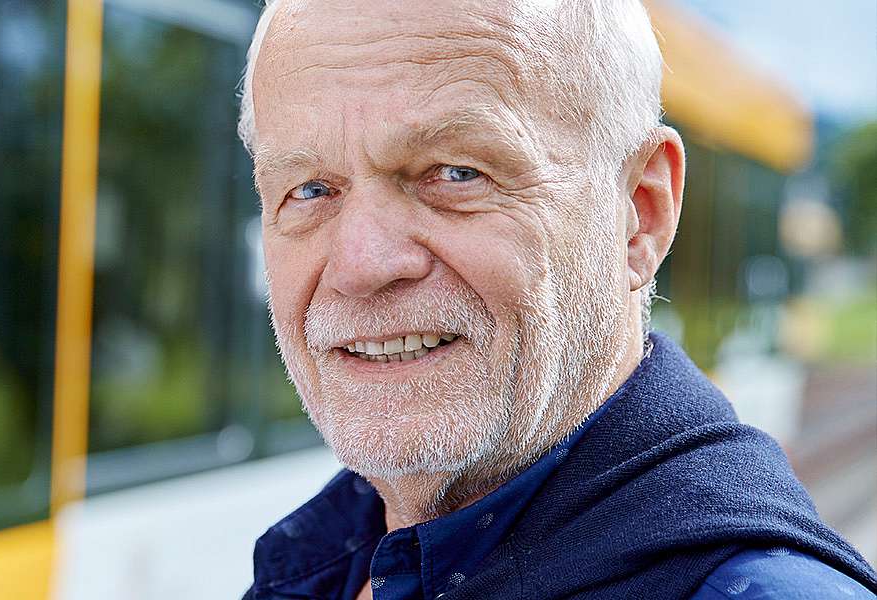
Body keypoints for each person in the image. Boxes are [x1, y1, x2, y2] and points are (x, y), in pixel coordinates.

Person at [237, 1, 876, 599]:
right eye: (310, 189)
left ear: (639, 214)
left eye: (458, 173)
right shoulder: (326, 559)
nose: (361, 266)